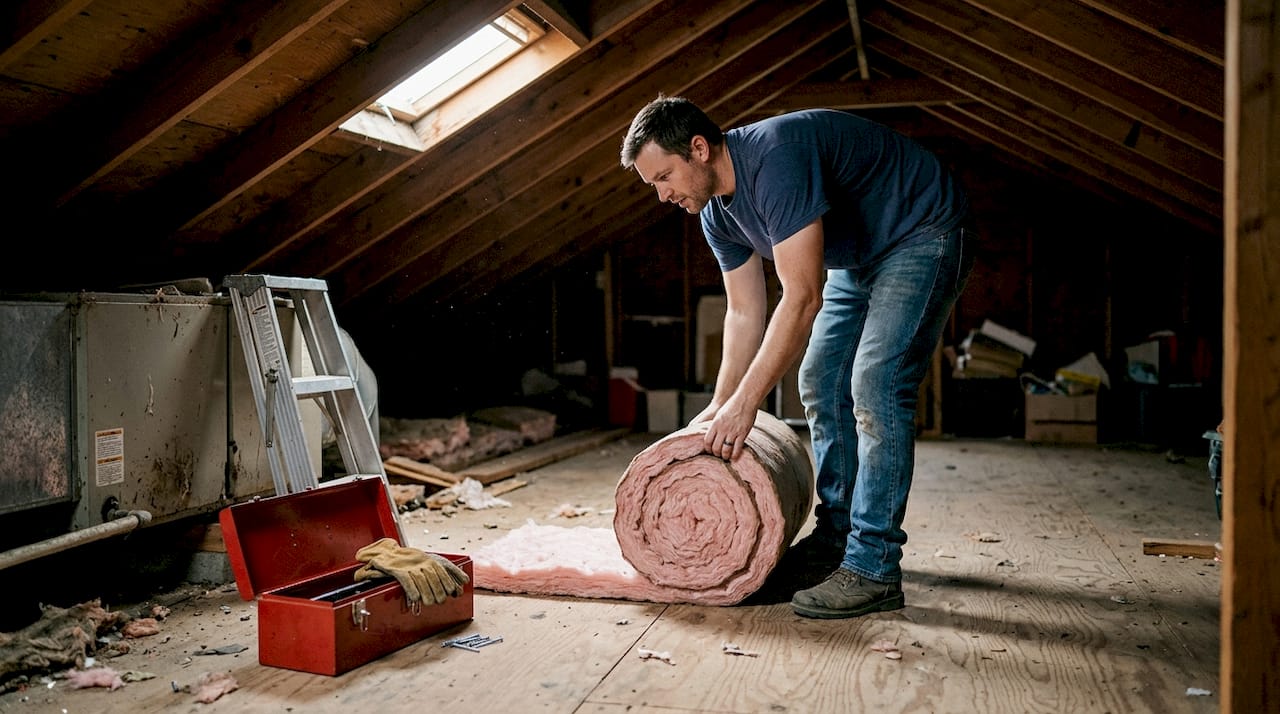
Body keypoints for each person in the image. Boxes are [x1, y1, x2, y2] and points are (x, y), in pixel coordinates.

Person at [619, 96, 975, 619]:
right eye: (653, 183)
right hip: (859, 258)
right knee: (821, 377)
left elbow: (803, 295)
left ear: (699, 148)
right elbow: (743, 311)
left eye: (664, 176)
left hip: (922, 230)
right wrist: (720, 405)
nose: (662, 194)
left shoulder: (774, 159)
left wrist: (748, 403)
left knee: (875, 385)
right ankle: (837, 537)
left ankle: (874, 566)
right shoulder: (716, 213)